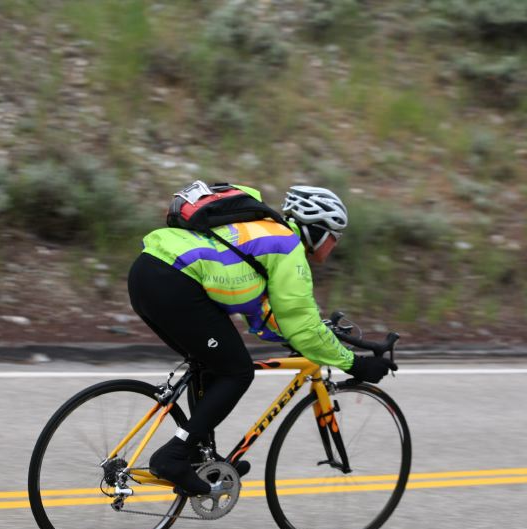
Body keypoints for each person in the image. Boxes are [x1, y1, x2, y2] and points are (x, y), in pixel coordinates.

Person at [127, 183, 397, 495]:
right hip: (176, 283)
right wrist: (355, 365)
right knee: (237, 371)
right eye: (335, 236)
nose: (334, 245)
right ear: (319, 230)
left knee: (212, 364)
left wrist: (300, 338)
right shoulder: (287, 246)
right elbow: (301, 324)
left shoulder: (260, 232)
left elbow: (265, 317)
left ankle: (201, 457)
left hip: (147, 273)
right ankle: (173, 456)